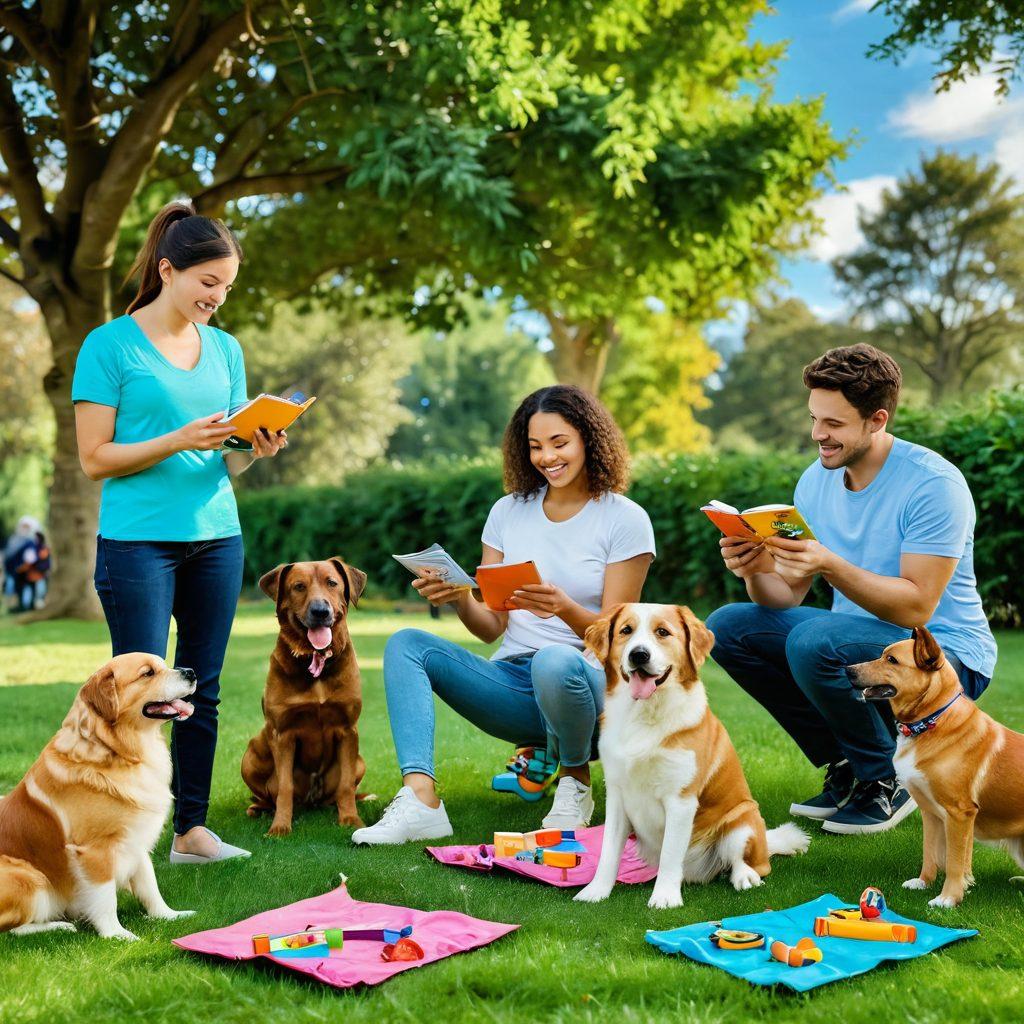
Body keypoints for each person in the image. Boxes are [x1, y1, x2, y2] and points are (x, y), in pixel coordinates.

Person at [72, 201, 287, 863]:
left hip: (216, 535)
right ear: (168, 269)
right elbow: (93, 458)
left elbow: (226, 456)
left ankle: (190, 831)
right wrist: (176, 440)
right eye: (208, 283)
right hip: (137, 542)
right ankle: (122, 838)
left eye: (227, 288)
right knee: (137, 694)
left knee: (200, 686)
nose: (218, 298)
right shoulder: (109, 345)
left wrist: (257, 447)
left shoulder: (225, 350)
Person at [706, 344, 996, 835]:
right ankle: (847, 767)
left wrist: (832, 566)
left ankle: (887, 778)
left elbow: (918, 606)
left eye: (834, 424)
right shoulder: (815, 482)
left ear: (876, 419)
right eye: (815, 419)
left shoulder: (933, 486)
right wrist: (754, 569)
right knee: (730, 627)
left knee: (814, 641)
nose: (819, 434)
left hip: (944, 656)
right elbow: (787, 596)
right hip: (858, 643)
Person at [353, 385, 656, 845]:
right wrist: (459, 597)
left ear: (589, 440)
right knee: (406, 644)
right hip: (515, 684)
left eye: (559, 443)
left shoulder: (624, 518)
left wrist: (565, 609)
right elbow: (492, 626)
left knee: (553, 659)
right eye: (535, 446)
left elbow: (620, 639)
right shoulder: (507, 512)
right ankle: (421, 801)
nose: (547, 457)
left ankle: (575, 783)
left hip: (594, 689)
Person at [3, 516, 44, 613]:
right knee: (17, 589)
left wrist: (23, 567)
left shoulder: (31, 541)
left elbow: (31, 557)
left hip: (26, 571)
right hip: (16, 571)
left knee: (29, 589)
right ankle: (19, 606)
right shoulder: (15, 540)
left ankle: (28, 606)